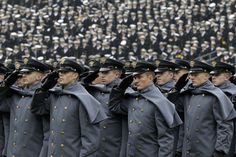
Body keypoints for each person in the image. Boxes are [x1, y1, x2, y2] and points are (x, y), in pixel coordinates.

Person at [30, 58, 107, 157]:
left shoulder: (83, 99)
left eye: (65, 72)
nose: (61, 74)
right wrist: (43, 89)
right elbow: (37, 109)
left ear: (75, 75)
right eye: (60, 72)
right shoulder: (55, 95)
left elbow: (90, 142)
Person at [109, 61, 182, 157]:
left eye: (139, 77)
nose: (135, 81)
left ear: (150, 77)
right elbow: (114, 107)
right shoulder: (133, 98)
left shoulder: (159, 102)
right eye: (134, 78)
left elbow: (166, 140)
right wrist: (120, 89)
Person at [175, 60, 236, 157]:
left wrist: (219, 152)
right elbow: (180, 122)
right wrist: (179, 148)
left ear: (207, 76)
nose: (191, 77)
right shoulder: (187, 95)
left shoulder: (216, 96)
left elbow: (224, 127)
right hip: (187, 150)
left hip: (207, 150)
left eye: (196, 74)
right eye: (191, 74)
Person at [0, 58, 51, 157]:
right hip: (13, 152)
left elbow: (48, 134)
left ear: (39, 76)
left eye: (28, 73)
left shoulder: (45, 96)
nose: (23, 75)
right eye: (23, 73)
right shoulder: (17, 95)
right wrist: (5, 85)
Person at [83, 58, 126, 157]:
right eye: (101, 72)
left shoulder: (125, 93)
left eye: (106, 72)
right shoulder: (96, 90)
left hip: (113, 148)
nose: (101, 75)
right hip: (95, 146)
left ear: (117, 74)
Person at [211, 61, 236, 157]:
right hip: (211, 139)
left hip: (230, 140)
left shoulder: (233, 93)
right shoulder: (211, 91)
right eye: (212, 74)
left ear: (227, 77)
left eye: (217, 75)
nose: (213, 77)